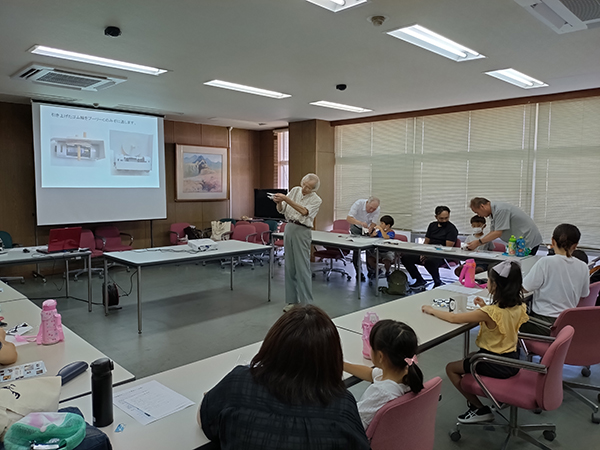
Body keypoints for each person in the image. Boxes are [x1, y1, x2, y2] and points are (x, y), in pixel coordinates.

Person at [198, 305, 370, 450]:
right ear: (331, 357)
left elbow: (203, 420)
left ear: (272, 345)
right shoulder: (342, 407)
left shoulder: (238, 384)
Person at [422, 260, 528, 423]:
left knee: (451, 368)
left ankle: (479, 408)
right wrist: (485, 305)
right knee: (471, 356)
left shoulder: (489, 312)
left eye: (489, 281)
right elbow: (502, 321)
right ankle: (490, 393)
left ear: (495, 286)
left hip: (494, 362)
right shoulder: (520, 306)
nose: (487, 284)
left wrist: (431, 310)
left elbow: (454, 318)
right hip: (512, 359)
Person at [343, 320, 424, 429]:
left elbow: (351, 420)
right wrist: (341, 364)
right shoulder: (406, 373)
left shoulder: (381, 393)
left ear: (380, 357)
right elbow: (371, 373)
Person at [520, 224, 590, 335]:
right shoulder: (583, 266)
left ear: (553, 241)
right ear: (575, 246)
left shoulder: (546, 262)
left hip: (543, 323)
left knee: (511, 319)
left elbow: (524, 288)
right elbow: (584, 294)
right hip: (567, 323)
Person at [272, 174, 322, 313]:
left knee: (302, 267)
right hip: (289, 227)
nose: (305, 188)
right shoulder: (295, 190)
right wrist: (279, 202)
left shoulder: (316, 200)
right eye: (304, 184)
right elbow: (282, 210)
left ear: (314, 189)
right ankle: (292, 301)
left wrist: (286, 199)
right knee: (290, 266)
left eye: (309, 187)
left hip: (302, 230)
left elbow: (304, 212)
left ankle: (307, 303)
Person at [401, 206, 458, 288]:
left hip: (443, 254)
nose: (444, 220)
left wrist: (429, 254)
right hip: (429, 251)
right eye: (441, 218)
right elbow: (426, 241)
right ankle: (419, 280)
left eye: (446, 218)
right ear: (436, 217)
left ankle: (437, 282)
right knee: (406, 257)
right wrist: (422, 253)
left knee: (430, 262)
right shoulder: (432, 225)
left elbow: (447, 248)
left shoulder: (451, 229)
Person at [468, 197, 543, 254]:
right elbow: (493, 233)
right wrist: (477, 243)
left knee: (521, 268)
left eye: (477, 212)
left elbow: (497, 233)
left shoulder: (500, 210)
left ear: (482, 206)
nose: (479, 216)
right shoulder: (493, 213)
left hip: (527, 241)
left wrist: (478, 242)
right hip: (519, 242)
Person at [347, 197, 381, 281]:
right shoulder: (358, 204)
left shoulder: (377, 208)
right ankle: (359, 273)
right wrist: (360, 223)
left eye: (374, 209)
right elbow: (349, 218)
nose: (372, 210)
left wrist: (371, 228)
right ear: (367, 203)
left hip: (368, 228)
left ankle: (371, 271)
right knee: (357, 250)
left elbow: (373, 222)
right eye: (370, 208)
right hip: (356, 226)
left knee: (370, 250)